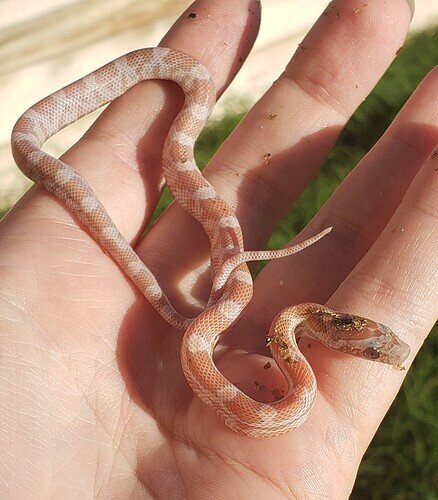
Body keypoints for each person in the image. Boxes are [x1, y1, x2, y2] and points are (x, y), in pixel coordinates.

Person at [0, 0, 435, 496]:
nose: (382, 352)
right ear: (339, 333)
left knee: (193, 143)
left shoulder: (279, 337)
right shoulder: (290, 372)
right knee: (51, 136)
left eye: (373, 348)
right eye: (374, 348)